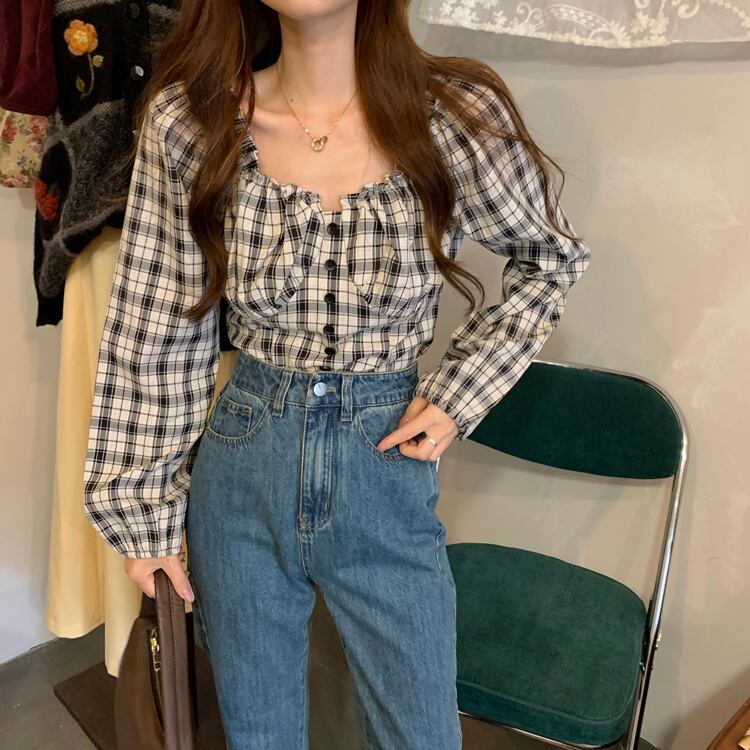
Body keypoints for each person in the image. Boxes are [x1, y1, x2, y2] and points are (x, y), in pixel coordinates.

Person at [82, 1, 591, 747]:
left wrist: (459, 394)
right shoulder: (192, 122)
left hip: (384, 468)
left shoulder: (454, 115)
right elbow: (158, 321)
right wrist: (142, 506)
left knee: (420, 734)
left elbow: (550, 258)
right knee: (257, 733)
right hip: (242, 467)